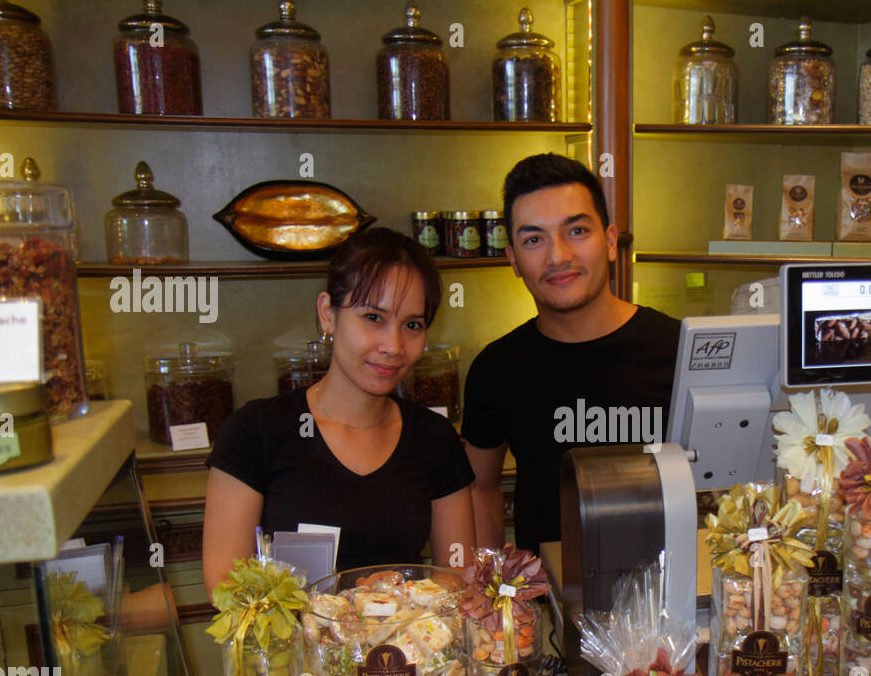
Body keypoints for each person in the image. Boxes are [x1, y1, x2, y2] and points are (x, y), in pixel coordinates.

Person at [202, 228, 475, 594]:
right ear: (328, 314)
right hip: (293, 649)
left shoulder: (436, 439)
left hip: (402, 646)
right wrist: (347, 616)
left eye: (412, 325)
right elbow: (225, 586)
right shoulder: (256, 432)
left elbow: (455, 572)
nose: (393, 346)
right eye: (373, 318)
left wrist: (394, 608)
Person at [461, 153, 680, 552]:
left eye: (576, 231)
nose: (558, 255)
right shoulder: (496, 369)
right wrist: (497, 590)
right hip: (547, 604)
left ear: (611, 242)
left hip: (666, 602)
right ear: (513, 260)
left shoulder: (678, 350)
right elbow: (480, 487)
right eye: (533, 239)